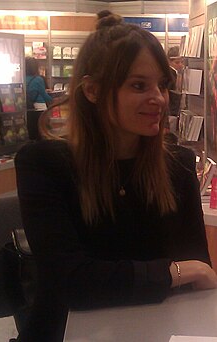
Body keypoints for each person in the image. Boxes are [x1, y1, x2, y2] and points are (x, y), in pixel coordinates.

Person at [15, 16, 217, 342]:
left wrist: (167, 276)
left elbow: (199, 270)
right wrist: (174, 272)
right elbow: (71, 283)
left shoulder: (177, 165)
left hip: (159, 328)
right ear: (93, 90)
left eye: (162, 84)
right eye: (139, 85)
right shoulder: (45, 165)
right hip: (68, 331)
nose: (159, 98)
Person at [25, 57, 52, 140]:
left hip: (27, 108)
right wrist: (54, 99)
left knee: (32, 131)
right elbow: (44, 96)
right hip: (40, 107)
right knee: (43, 132)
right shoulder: (38, 79)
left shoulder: (22, 78)